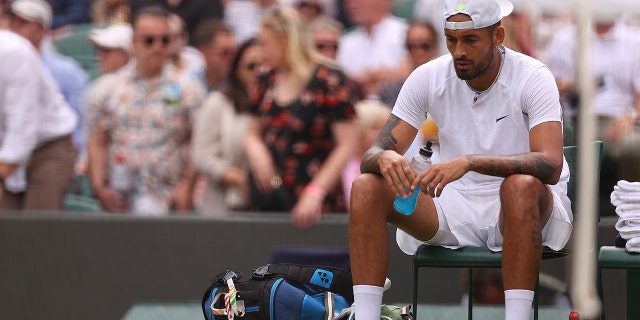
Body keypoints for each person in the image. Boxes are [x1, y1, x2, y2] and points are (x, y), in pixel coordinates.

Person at [348, 1, 572, 320]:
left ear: (497, 36)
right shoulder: (427, 76)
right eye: (452, 40)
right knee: (366, 186)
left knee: (519, 187)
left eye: (470, 40)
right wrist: (384, 158)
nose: (459, 51)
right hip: (451, 205)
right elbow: (371, 153)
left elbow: (551, 164)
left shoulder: (534, 75)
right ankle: (366, 316)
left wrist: (470, 161)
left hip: (523, 208)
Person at [85, 6, 205, 214]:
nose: (157, 47)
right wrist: (99, 187)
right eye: (149, 40)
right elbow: (97, 141)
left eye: (164, 40)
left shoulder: (188, 89)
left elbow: (199, 140)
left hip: (166, 197)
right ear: (134, 43)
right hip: (120, 195)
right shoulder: (108, 88)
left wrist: (187, 184)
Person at [244, 8, 358, 228]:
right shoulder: (265, 79)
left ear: (284, 40)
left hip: (317, 201)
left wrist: (316, 191)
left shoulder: (329, 79)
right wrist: (257, 151)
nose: (260, 52)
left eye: (264, 44)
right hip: (272, 197)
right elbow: (251, 132)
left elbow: (347, 144)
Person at [545, 17, 640, 213]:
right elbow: (546, 85)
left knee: (633, 146)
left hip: (617, 119)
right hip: (574, 120)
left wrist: (630, 117)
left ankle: (629, 214)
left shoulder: (634, 40)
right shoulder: (565, 39)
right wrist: (573, 85)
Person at [0, 30, 78, 211]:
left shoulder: (14, 52)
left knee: (37, 232)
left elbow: (24, 124)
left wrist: (1, 177)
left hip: (49, 148)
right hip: (6, 150)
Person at [192, 38, 264, 215]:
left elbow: (283, 171)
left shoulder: (281, 108)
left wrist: (272, 183)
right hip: (223, 202)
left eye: (265, 65)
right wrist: (238, 179)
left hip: (270, 206)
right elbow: (201, 155)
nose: (259, 72)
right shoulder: (218, 103)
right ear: (237, 71)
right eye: (251, 66)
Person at [8, 0, 88, 155]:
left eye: (23, 23)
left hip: (51, 153)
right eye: (12, 22)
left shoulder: (69, 72)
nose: (15, 29)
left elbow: (79, 127)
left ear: (42, 31)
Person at [337, 0, 408, 100]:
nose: (351, 4)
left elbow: (410, 72)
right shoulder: (346, 41)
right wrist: (379, 75)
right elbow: (342, 82)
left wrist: (363, 79)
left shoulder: (403, 31)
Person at [379, 20, 440, 107]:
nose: (418, 52)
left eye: (425, 46)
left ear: (435, 47)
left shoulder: (446, 82)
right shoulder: (395, 87)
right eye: (411, 46)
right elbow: (391, 119)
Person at [192, 19, 237, 92]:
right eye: (225, 53)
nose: (232, 59)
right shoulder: (189, 83)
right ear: (204, 52)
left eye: (234, 53)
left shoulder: (237, 85)